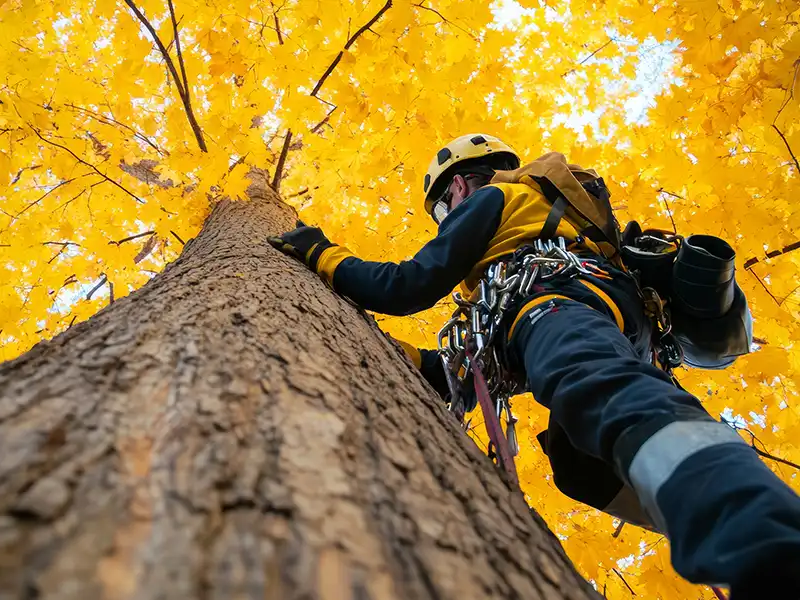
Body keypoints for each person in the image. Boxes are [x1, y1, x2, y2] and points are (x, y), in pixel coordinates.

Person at [267, 134, 800, 597]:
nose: (445, 219)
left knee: (597, 387)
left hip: (555, 302)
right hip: (591, 316)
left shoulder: (499, 196)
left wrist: (321, 253)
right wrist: (391, 355)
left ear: (459, 186)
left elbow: (408, 285)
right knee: (578, 464)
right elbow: (464, 382)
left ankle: (760, 534)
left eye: (441, 209)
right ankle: (705, 507)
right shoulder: (541, 238)